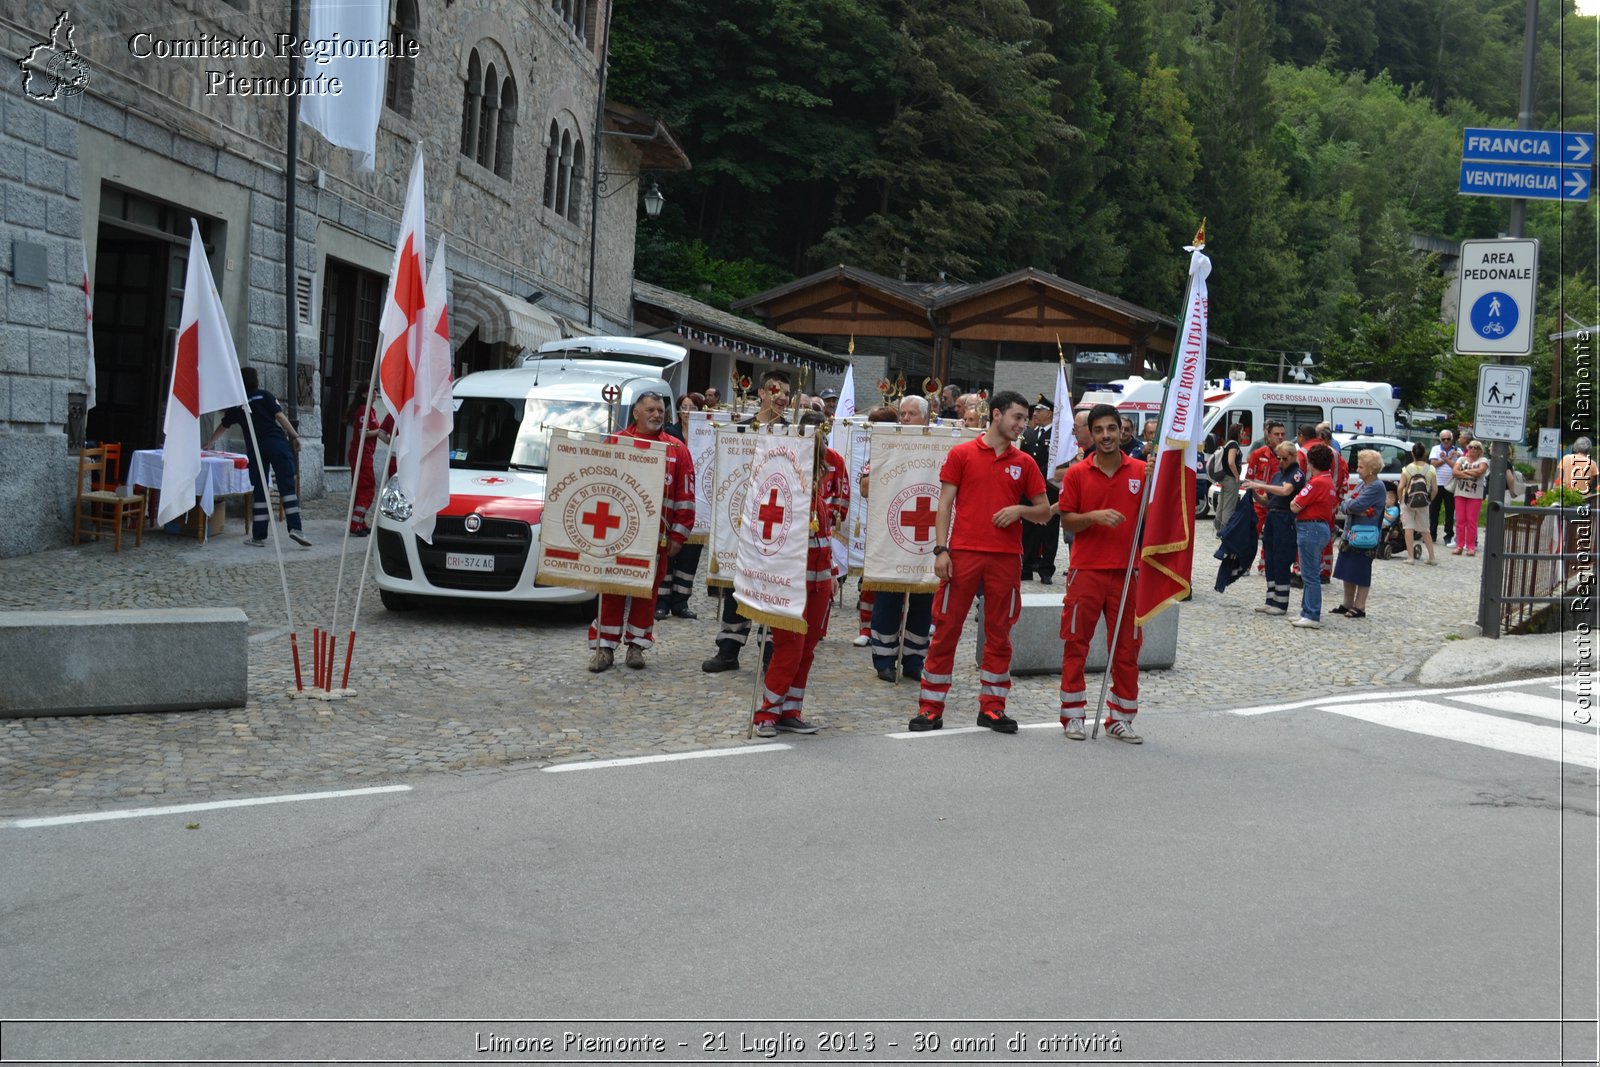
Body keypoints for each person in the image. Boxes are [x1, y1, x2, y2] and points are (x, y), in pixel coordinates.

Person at [909, 391, 1050, 734]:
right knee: (946, 631)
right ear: (997, 414)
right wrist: (941, 549)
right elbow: (943, 505)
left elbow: (1044, 511)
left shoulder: (1025, 462)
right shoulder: (962, 454)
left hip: (1006, 559)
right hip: (964, 555)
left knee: (1000, 634)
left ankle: (992, 707)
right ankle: (930, 707)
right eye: (1017, 417)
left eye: (1025, 418)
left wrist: (1020, 510)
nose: (1022, 424)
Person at [1057, 403, 1152, 744]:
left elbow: (1160, 515)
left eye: (1112, 429)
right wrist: (1094, 517)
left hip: (1128, 572)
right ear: (1091, 434)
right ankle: (1072, 716)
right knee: (1075, 644)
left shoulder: (1142, 471)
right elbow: (1067, 519)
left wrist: (1160, 475)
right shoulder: (1077, 473)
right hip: (1087, 571)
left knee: (1127, 649)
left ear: (1122, 431)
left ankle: (1121, 718)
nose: (1107, 436)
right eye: (1099, 430)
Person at [752, 412, 849, 737]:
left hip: (820, 580)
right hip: (790, 582)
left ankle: (790, 709)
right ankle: (767, 711)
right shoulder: (783, 488)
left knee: (807, 649)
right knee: (789, 648)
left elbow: (825, 542)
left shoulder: (819, 494)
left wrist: (833, 574)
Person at [587, 392, 695, 672]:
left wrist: (679, 536)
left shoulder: (676, 449)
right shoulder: (616, 442)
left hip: (655, 539)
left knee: (647, 593)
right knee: (611, 589)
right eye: (651, 409)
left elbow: (686, 496)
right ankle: (604, 647)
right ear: (636, 413)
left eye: (660, 410)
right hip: (616, 534)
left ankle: (637, 645)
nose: (657, 415)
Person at [703, 369, 791, 673]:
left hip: (776, 523)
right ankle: (728, 651)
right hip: (742, 522)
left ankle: (771, 654)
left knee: (771, 591)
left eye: (786, 394)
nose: (782, 397)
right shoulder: (737, 433)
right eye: (776, 390)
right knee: (737, 589)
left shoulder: (794, 436)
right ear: (762, 394)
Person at [864, 397, 934, 683]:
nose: (905, 418)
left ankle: (915, 659)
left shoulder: (939, 448)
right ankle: (884, 657)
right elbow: (865, 486)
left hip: (926, 535)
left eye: (912, 414)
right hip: (891, 535)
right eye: (902, 413)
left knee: (923, 597)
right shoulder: (885, 446)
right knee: (888, 598)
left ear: (926, 419)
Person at [206, 367, 309, 548]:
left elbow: (223, 426)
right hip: (277, 444)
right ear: (256, 380)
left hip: (257, 449)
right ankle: (296, 528)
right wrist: (295, 436)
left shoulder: (238, 405)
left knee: (260, 490)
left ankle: (258, 537)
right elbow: (280, 417)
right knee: (287, 487)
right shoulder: (265, 396)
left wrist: (209, 443)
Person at [853, 405, 902, 647]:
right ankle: (865, 627)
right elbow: (864, 488)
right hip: (878, 526)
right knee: (871, 578)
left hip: (902, 525)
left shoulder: (906, 450)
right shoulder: (876, 454)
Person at [657, 392, 705, 620]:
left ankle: (681, 601)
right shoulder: (670, 434)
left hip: (699, 499)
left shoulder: (707, 434)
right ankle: (662, 601)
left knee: (690, 556)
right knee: (668, 553)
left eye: (692, 407)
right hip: (674, 495)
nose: (687, 412)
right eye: (683, 407)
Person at [1242, 441, 1304, 616]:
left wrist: (1260, 485)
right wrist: (1252, 489)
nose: (1281, 461)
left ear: (1293, 456)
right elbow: (1265, 501)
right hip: (1272, 516)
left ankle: (1281, 603)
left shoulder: (1297, 474)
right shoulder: (1277, 475)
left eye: (1285, 458)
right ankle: (1270, 599)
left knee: (1282, 559)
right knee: (1269, 559)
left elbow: (1285, 491)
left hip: (1286, 519)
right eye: (1279, 457)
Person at [1330, 449, 1386, 619]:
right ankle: (1347, 603)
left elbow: (1354, 505)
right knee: (1348, 569)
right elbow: (1347, 504)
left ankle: (1359, 606)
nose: (1357, 469)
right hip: (1351, 533)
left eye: (1361, 467)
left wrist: (1351, 507)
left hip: (1365, 536)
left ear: (1371, 469)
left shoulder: (1376, 486)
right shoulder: (1363, 484)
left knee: (1360, 570)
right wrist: (1351, 507)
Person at [1288, 443, 1336, 628]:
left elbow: (1295, 505)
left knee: (1309, 575)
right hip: (1320, 527)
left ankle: (1312, 614)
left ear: (1311, 462)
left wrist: (1295, 501)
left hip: (1310, 528)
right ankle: (1306, 611)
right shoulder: (1328, 480)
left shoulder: (1316, 482)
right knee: (1310, 572)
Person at [1019, 397, 1060, 583]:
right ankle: (1026, 566)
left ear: (1050, 413)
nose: (1034, 413)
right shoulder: (1029, 434)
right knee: (1029, 530)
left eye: (1039, 410)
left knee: (1049, 531)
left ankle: (1046, 570)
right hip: (1029, 490)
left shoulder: (1058, 437)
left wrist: (1037, 475)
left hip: (1049, 489)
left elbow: (1056, 464)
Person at [344, 396, 392, 537]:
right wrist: (380, 430)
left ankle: (360, 522)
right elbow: (363, 433)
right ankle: (355, 524)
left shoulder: (369, 410)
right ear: (365, 394)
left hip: (364, 453)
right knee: (367, 489)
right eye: (374, 390)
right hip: (362, 454)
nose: (376, 392)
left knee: (361, 489)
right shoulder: (364, 411)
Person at [1244, 421, 1286, 572]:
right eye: (1276, 434)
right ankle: (1246, 565)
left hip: (1277, 503)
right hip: (1258, 502)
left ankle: (1265, 564)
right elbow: (1249, 478)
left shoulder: (1286, 456)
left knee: (1272, 536)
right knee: (1252, 534)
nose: (1280, 437)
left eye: (1282, 434)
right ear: (1268, 435)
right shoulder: (1258, 454)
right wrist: (1254, 496)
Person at [1397, 442, 1437, 565]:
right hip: (1423, 503)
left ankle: (1410, 557)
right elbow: (1435, 489)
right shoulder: (1431, 469)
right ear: (1424, 453)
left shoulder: (1406, 469)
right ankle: (1431, 557)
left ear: (1412, 454)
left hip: (1408, 501)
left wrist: (1401, 501)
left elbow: (1400, 487)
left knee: (1408, 528)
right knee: (1425, 530)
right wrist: (1429, 500)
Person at [1451, 441, 1490, 557]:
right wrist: (1469, 475)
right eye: (1471, 447)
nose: (1473, 449)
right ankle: (1459, 545)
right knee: (1460, 521)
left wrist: (1463, 472)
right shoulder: (1462, 459)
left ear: (1480, 450)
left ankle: (1471, 546)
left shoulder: (1483, 460)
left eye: (1476, 448)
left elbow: (1480, 471)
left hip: (1475, 494)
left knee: (1472, 521)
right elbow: (1454, 471)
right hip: (1460, 493)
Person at [1428, 429, 1461, 545]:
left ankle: (1448, 535)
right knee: (1434, 510)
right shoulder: (1435, 449)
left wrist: (1452, 457)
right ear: (1440, 439)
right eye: (1443, 439)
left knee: (1450, 511)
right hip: (1437, 483)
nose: (1446, 441)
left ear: (1452, 439)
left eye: (1448, 438)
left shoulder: (1458, 451)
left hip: (1451, 484)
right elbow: (1434, 465)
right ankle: (1432, 534)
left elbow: (1459, 467)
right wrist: (1447, 458)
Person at [1212, 422, 1246, 536]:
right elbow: (1231, 462)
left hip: (1224, 478)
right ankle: (1225, 531)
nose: (1244, 433)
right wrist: (1237, 476)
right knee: (1229, 506)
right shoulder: (1234, 445)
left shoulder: (1228, 444)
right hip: (1230, 479)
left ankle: (1218, 529)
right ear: (1237, 432)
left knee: (1222, 504)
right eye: (1242, 431)